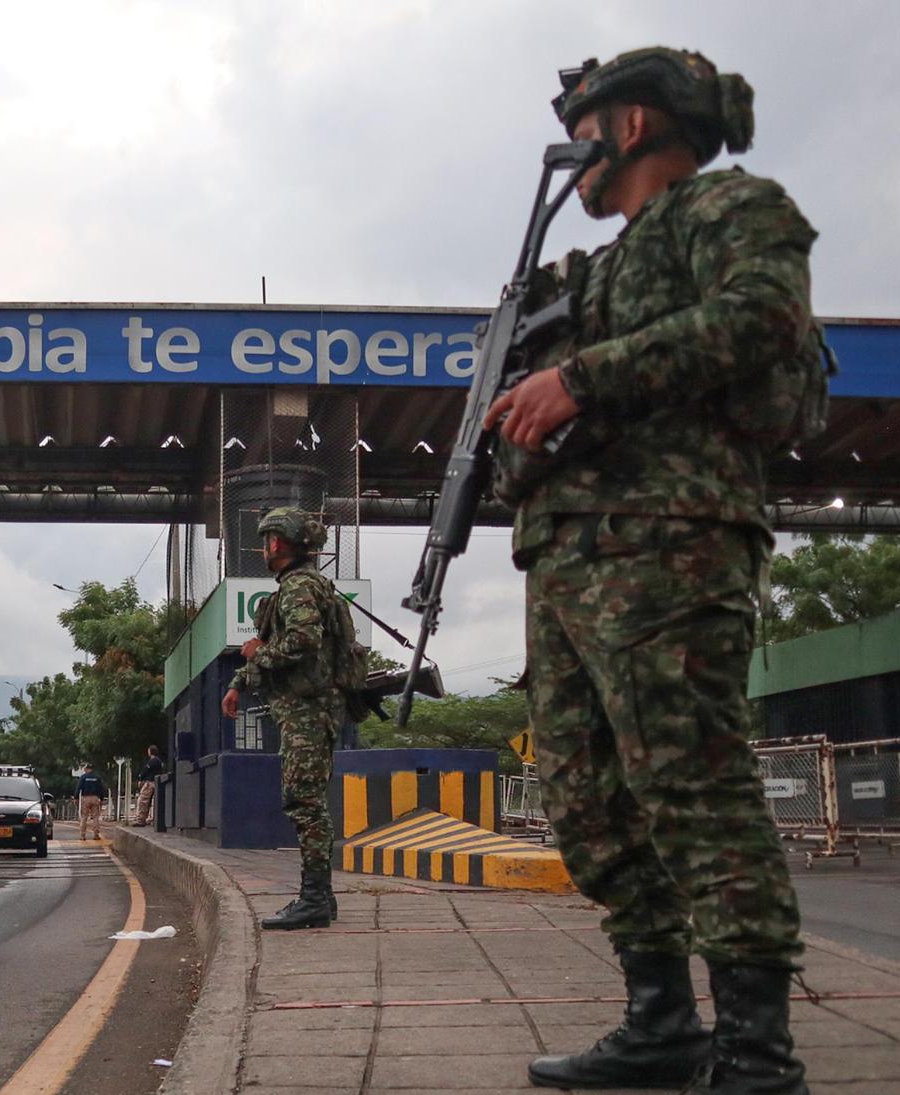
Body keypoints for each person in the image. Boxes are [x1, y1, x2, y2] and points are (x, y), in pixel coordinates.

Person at [485, 47, 817, 1095]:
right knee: (588, 805)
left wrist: (581, 378)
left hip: (673, 545)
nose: (571, 155)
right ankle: (661, 1020)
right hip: (571, 560)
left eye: (584, 128)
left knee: (694, 790)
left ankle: (759, 1054)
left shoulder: (732, 209)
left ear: (630, 126)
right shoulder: (592, 271)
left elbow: (760, 317)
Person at [220, 507, 349, 931]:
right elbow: (272, 642)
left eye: (266, 540)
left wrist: (259, 655)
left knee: (305, 802)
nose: (263, 548)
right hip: (304, 708)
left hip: (308, 710)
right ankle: (322, 897)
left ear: (276, 542)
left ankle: (313, 899)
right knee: (306, 800)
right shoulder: (300, 586)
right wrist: (241, 680)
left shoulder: (298, 586)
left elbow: (301, 641)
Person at [130, 745, 162, 826]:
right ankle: (151, 819)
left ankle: (140, 820)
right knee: (153, 802)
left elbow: (145, 770)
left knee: (142, 800)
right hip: (157, 782)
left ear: (150, 752)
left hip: (150, 783)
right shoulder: (159, 761)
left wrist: (140, 779)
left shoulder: (152, 761)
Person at [75, 762, 106, 840]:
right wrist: (101, 799)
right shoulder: (97, 777)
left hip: (85, 798)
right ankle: (96, 835)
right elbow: (101, 789)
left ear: (86, 769)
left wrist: (76, 798)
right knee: (95, 817)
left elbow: (78, 788)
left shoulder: (83, 777)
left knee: (84, 817)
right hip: (95, 798)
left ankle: (82, 835)